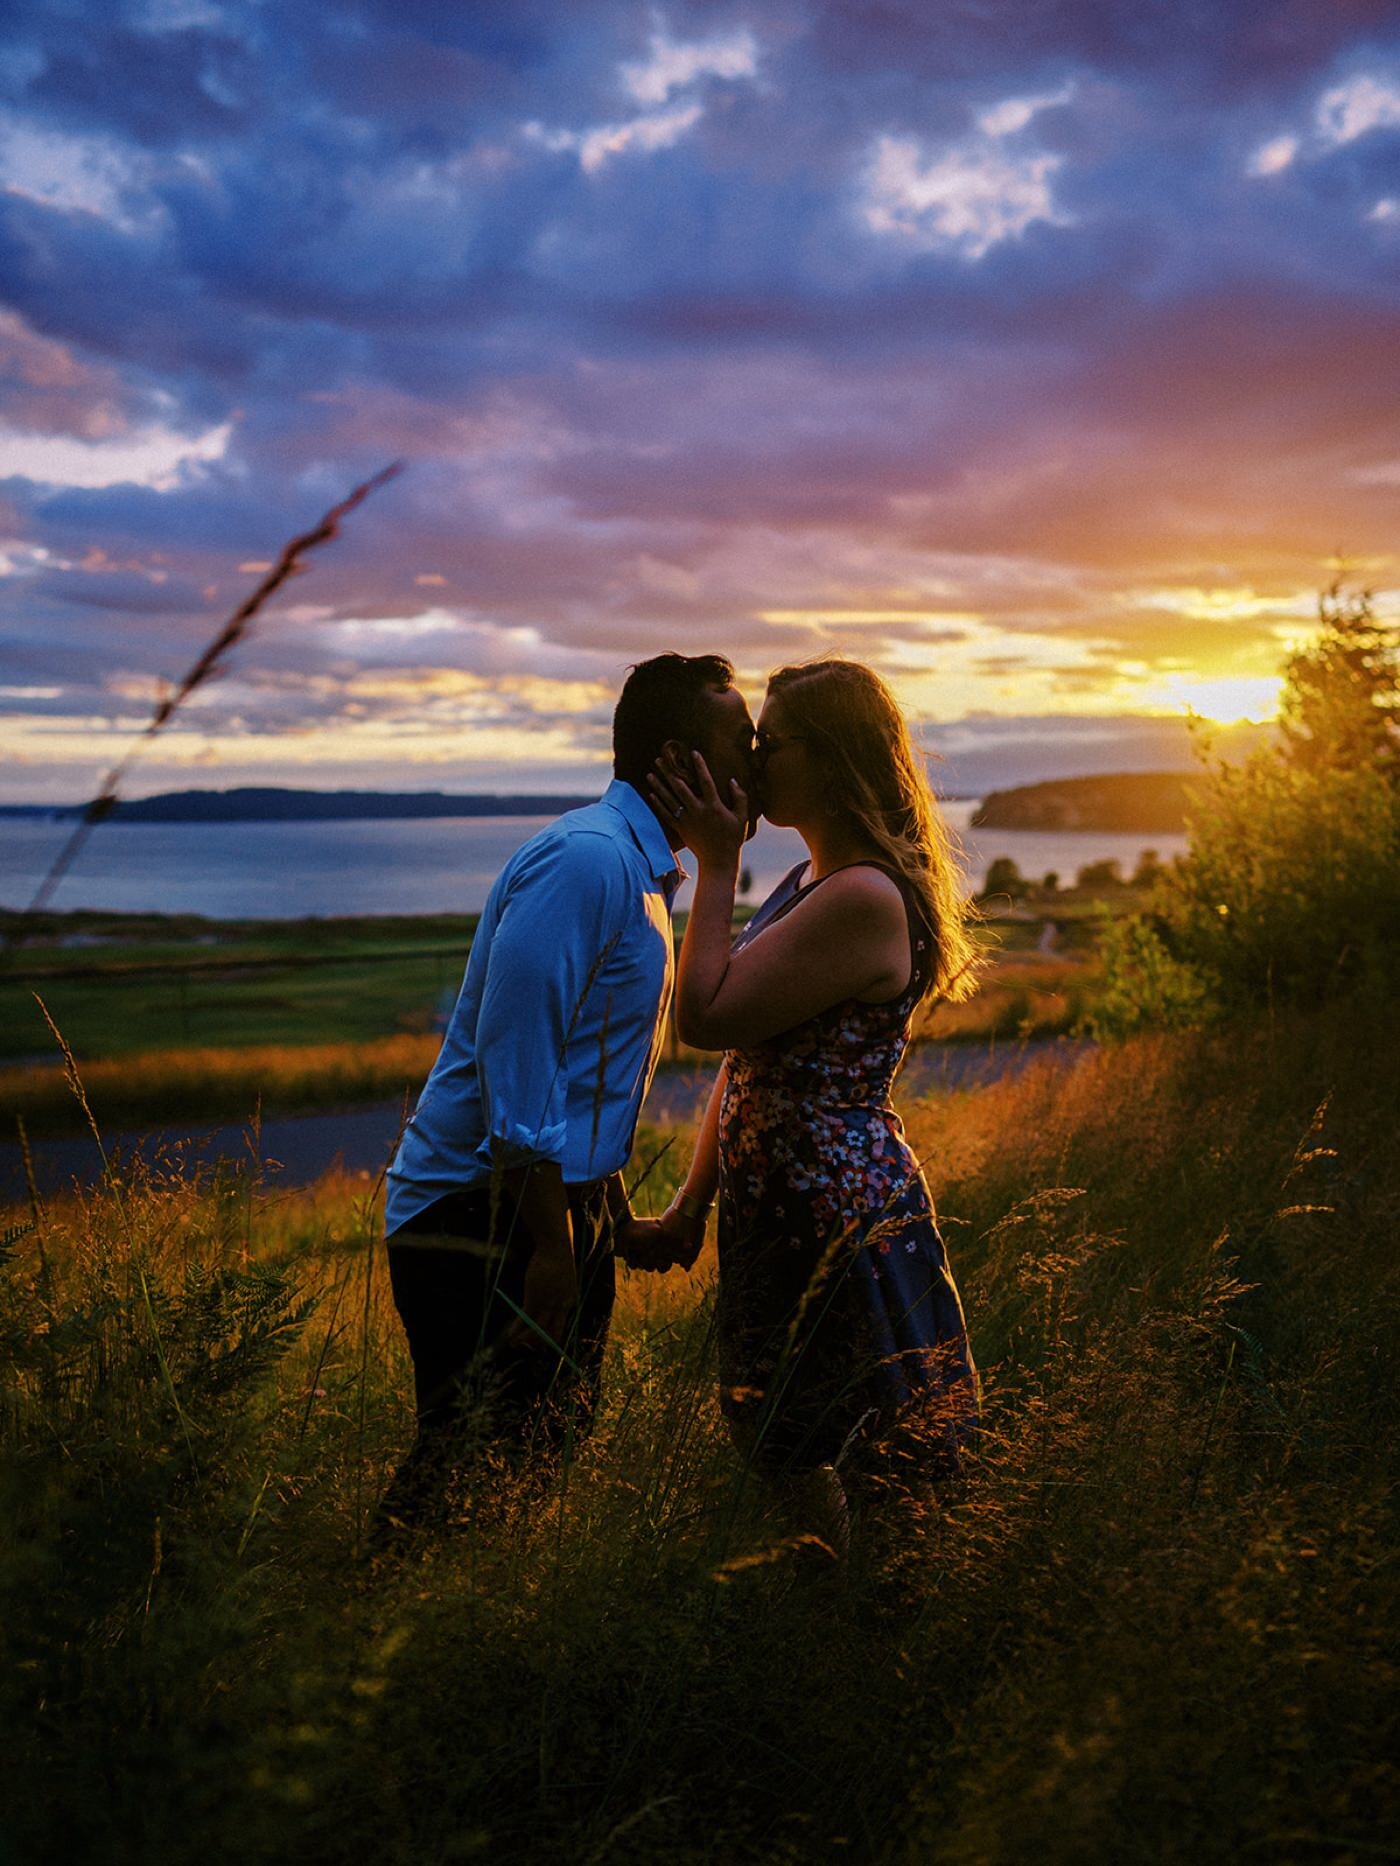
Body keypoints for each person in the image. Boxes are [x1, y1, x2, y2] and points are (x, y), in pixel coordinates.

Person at [376, 652, 755, 1534]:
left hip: (544, 1207)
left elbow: (585, 1077)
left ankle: (470, 1633)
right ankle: (376, 1614)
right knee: (468, 1452)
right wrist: (553, 1245)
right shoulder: (587, 860)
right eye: (741, 739)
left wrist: (609, 1220)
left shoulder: (645, 873)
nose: (757, 756)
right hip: (476, 1213)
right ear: (681, 761)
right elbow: (519, 1062)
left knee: (547, 1441)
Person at [639, 659, 981, 1560]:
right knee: (773, 1430)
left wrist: (718, 862)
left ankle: (887, 1621)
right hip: (785, 1208)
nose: (751, 761)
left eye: (770, 742)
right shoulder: (812, 884)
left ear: (827, 759)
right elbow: (752, 1055)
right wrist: (690, 1207)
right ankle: (839, 1598)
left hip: (838, 1212)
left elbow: (706, 1017)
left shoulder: (864, 897)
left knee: (873, 1450)